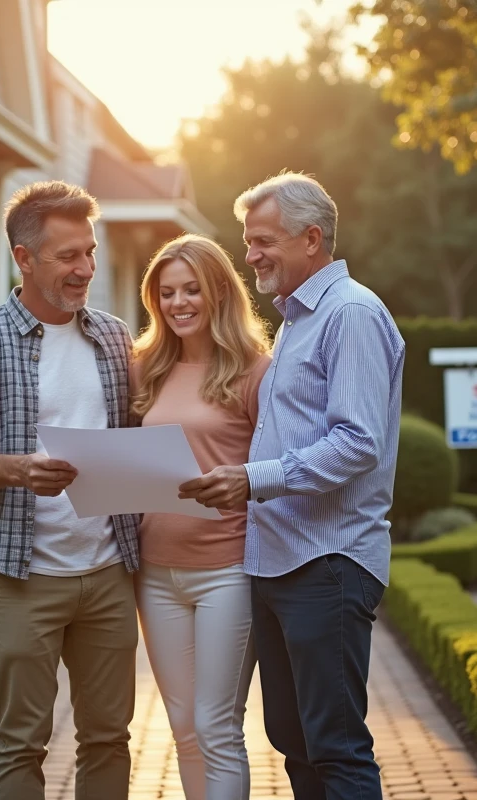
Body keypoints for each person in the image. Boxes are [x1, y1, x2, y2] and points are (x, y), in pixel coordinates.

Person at [179, 172, 406, 800]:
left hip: (328, 562)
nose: (249, 255)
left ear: (312, 239)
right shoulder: (295, 322)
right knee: (294, 740)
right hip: (279, 564)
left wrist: (252, 481)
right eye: (248, 241)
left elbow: (357, 443)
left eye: (262, 241)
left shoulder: (352, 313)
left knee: (335, 746)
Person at [0, 180, 140, 800]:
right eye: (68, 256)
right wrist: (20, 470)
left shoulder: (115, 339)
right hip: (21, 576)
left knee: (108, 737)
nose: (86, 269)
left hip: (108, 572)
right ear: (24, 258)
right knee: (22, 742)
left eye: (90, 253)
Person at [130, 234, 272, 800]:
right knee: (184, 730)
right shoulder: (146, 369)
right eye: (166, 293)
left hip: (227, 571)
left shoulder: (255, 371)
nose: (178, 302)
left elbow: (274, 475)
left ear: (218, 291)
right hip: (155, 572)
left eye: (191, 289)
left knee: (216, 728)